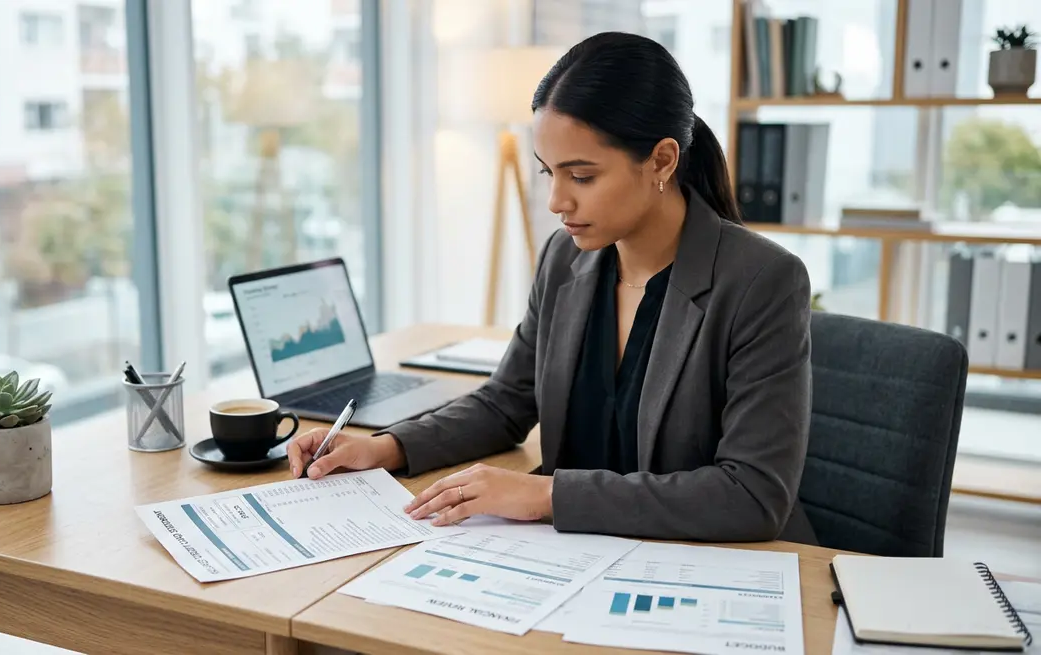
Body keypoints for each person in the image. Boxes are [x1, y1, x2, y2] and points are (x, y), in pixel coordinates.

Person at [287, 31, 816, 544]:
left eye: (581, 176)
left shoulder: (762, 281)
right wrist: (387, 448)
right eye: (548, 173)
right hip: (573, 559)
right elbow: (505, 402)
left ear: (661, 160)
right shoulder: (566, 258)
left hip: (702, 569)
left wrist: (546, 495)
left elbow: (751, 495)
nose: (557, 201)